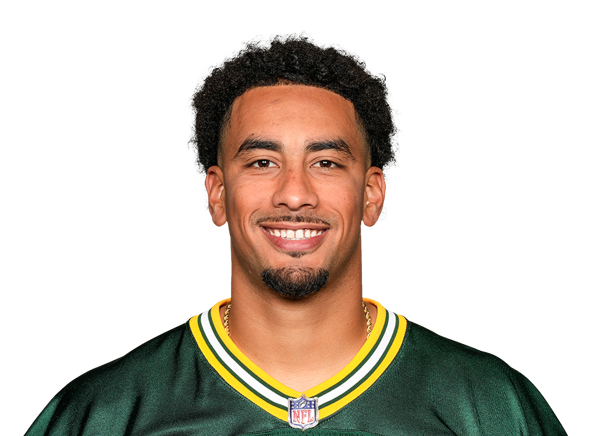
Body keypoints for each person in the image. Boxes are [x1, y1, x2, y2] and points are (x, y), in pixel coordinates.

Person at [27, 31, 566, 435]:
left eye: (326, 163)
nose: (294, 194)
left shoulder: (490, 406)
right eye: (262, 162)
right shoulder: (106, 412)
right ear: (217, 194)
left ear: (371, 195)